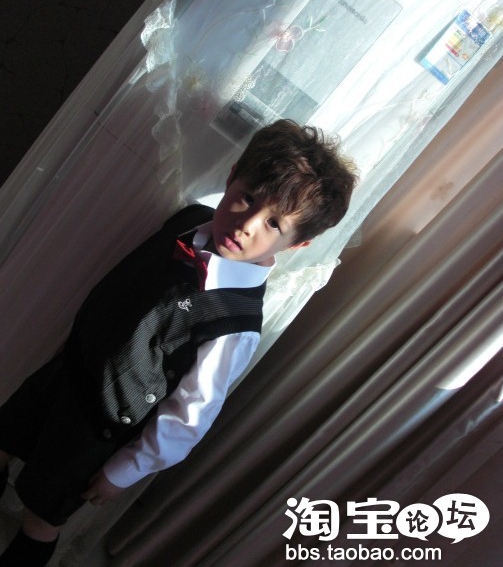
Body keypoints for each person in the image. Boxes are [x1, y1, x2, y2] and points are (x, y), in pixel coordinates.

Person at [0, 119, 357, 565]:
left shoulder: (235, 322)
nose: (247, 224)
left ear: (297, 244)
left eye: (273, 223)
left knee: (41, 515)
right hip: (68, 368)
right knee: (5, 435)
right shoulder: (188, 221)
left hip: (98, 423)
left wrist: (125, 470)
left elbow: (191, 412)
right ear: (232, 177)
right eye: (247, 197)